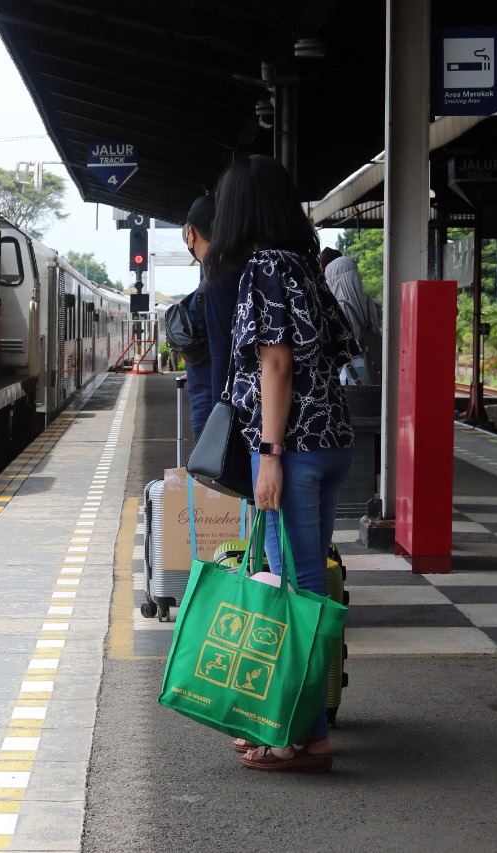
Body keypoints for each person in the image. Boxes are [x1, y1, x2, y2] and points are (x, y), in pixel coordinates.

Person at [203, 154, 359, 773]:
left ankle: (295, 737)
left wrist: (268, 455)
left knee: (292, 589)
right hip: (331, 443)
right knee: (305, 588)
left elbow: (276, 365)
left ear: (240, 209)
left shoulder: (264, 268)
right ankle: (303, 728)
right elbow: (341, 349)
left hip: (292, 450)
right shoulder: (304, 266)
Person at [179, 194, 239, 438]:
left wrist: (218, 432)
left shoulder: (218, 280)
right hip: (220, 404)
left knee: (210, 475)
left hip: (213, 411)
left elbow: (222, 356)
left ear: (191, 233)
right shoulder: (232, 272)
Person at [324, 255, 382, 384]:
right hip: (374, 365)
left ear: (337, 280)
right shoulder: (370, 302)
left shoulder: (341, 307)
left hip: (351, 374)